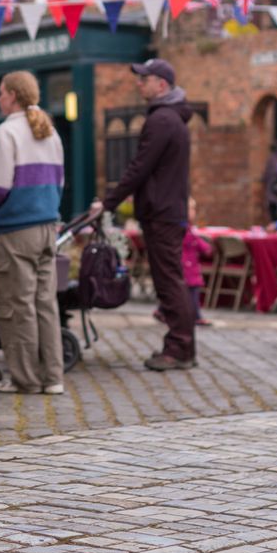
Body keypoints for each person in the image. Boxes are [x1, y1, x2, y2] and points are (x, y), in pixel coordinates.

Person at [91, 58, 196, 372]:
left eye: (144, 79)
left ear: (161, 84)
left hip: (162, 213)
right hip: (167, 210)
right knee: (170, 281)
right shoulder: (169, 118)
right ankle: (182, 346)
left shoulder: (162, 120)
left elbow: (139, 168)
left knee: (169, 283)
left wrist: (108, 203)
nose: (139, 84)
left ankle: (179, 348)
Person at [0, 71, 66, 395]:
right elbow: (60, 183)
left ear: (13, 95)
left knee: (17, 305)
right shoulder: (50, 132)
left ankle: (25, 378)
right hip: (47, 227)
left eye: (1, 93)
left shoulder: (5, 134)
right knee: (46, 303)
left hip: (16, 230)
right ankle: (53, 377)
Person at [182, 198, 213, 327]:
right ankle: (196, 316)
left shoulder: (185, 227)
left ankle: (163, 310)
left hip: (187, 265)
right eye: (192, 209)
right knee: (193, 291)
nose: (194, 212)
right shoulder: (186, 229)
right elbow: (198, 243)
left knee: (184, 291)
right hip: (188, 266)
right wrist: (207, 248)